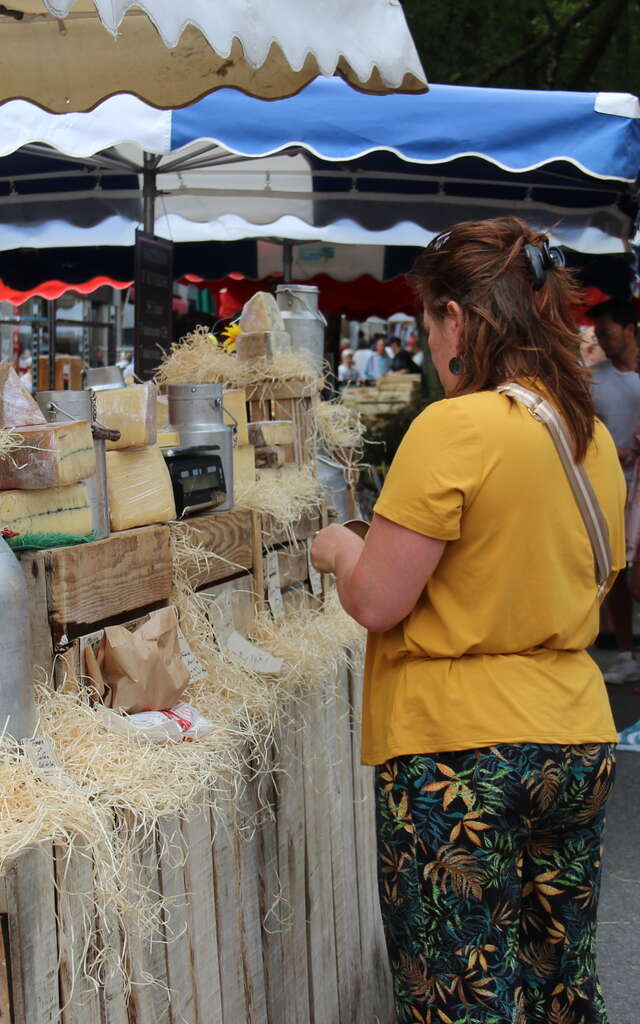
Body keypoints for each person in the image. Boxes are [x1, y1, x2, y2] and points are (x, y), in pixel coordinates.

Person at [311, 217, 624, 1024]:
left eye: (427, 320)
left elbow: (378, 600)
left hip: (460, 755)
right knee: (561, 987)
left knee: (461, 995)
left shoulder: (455, 426)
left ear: (458, 317)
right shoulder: (584, 432)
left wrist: (340, 546)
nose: (425, 341)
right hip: (573, 735)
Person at [587, 298, 640, 683]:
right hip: (612, 486)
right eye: (598, 334)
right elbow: (583, 430)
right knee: (617, 570)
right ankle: (626, 652)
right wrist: (611, 447)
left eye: (607, 332)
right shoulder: (594, 379)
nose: (602, 341)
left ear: (629, 329)